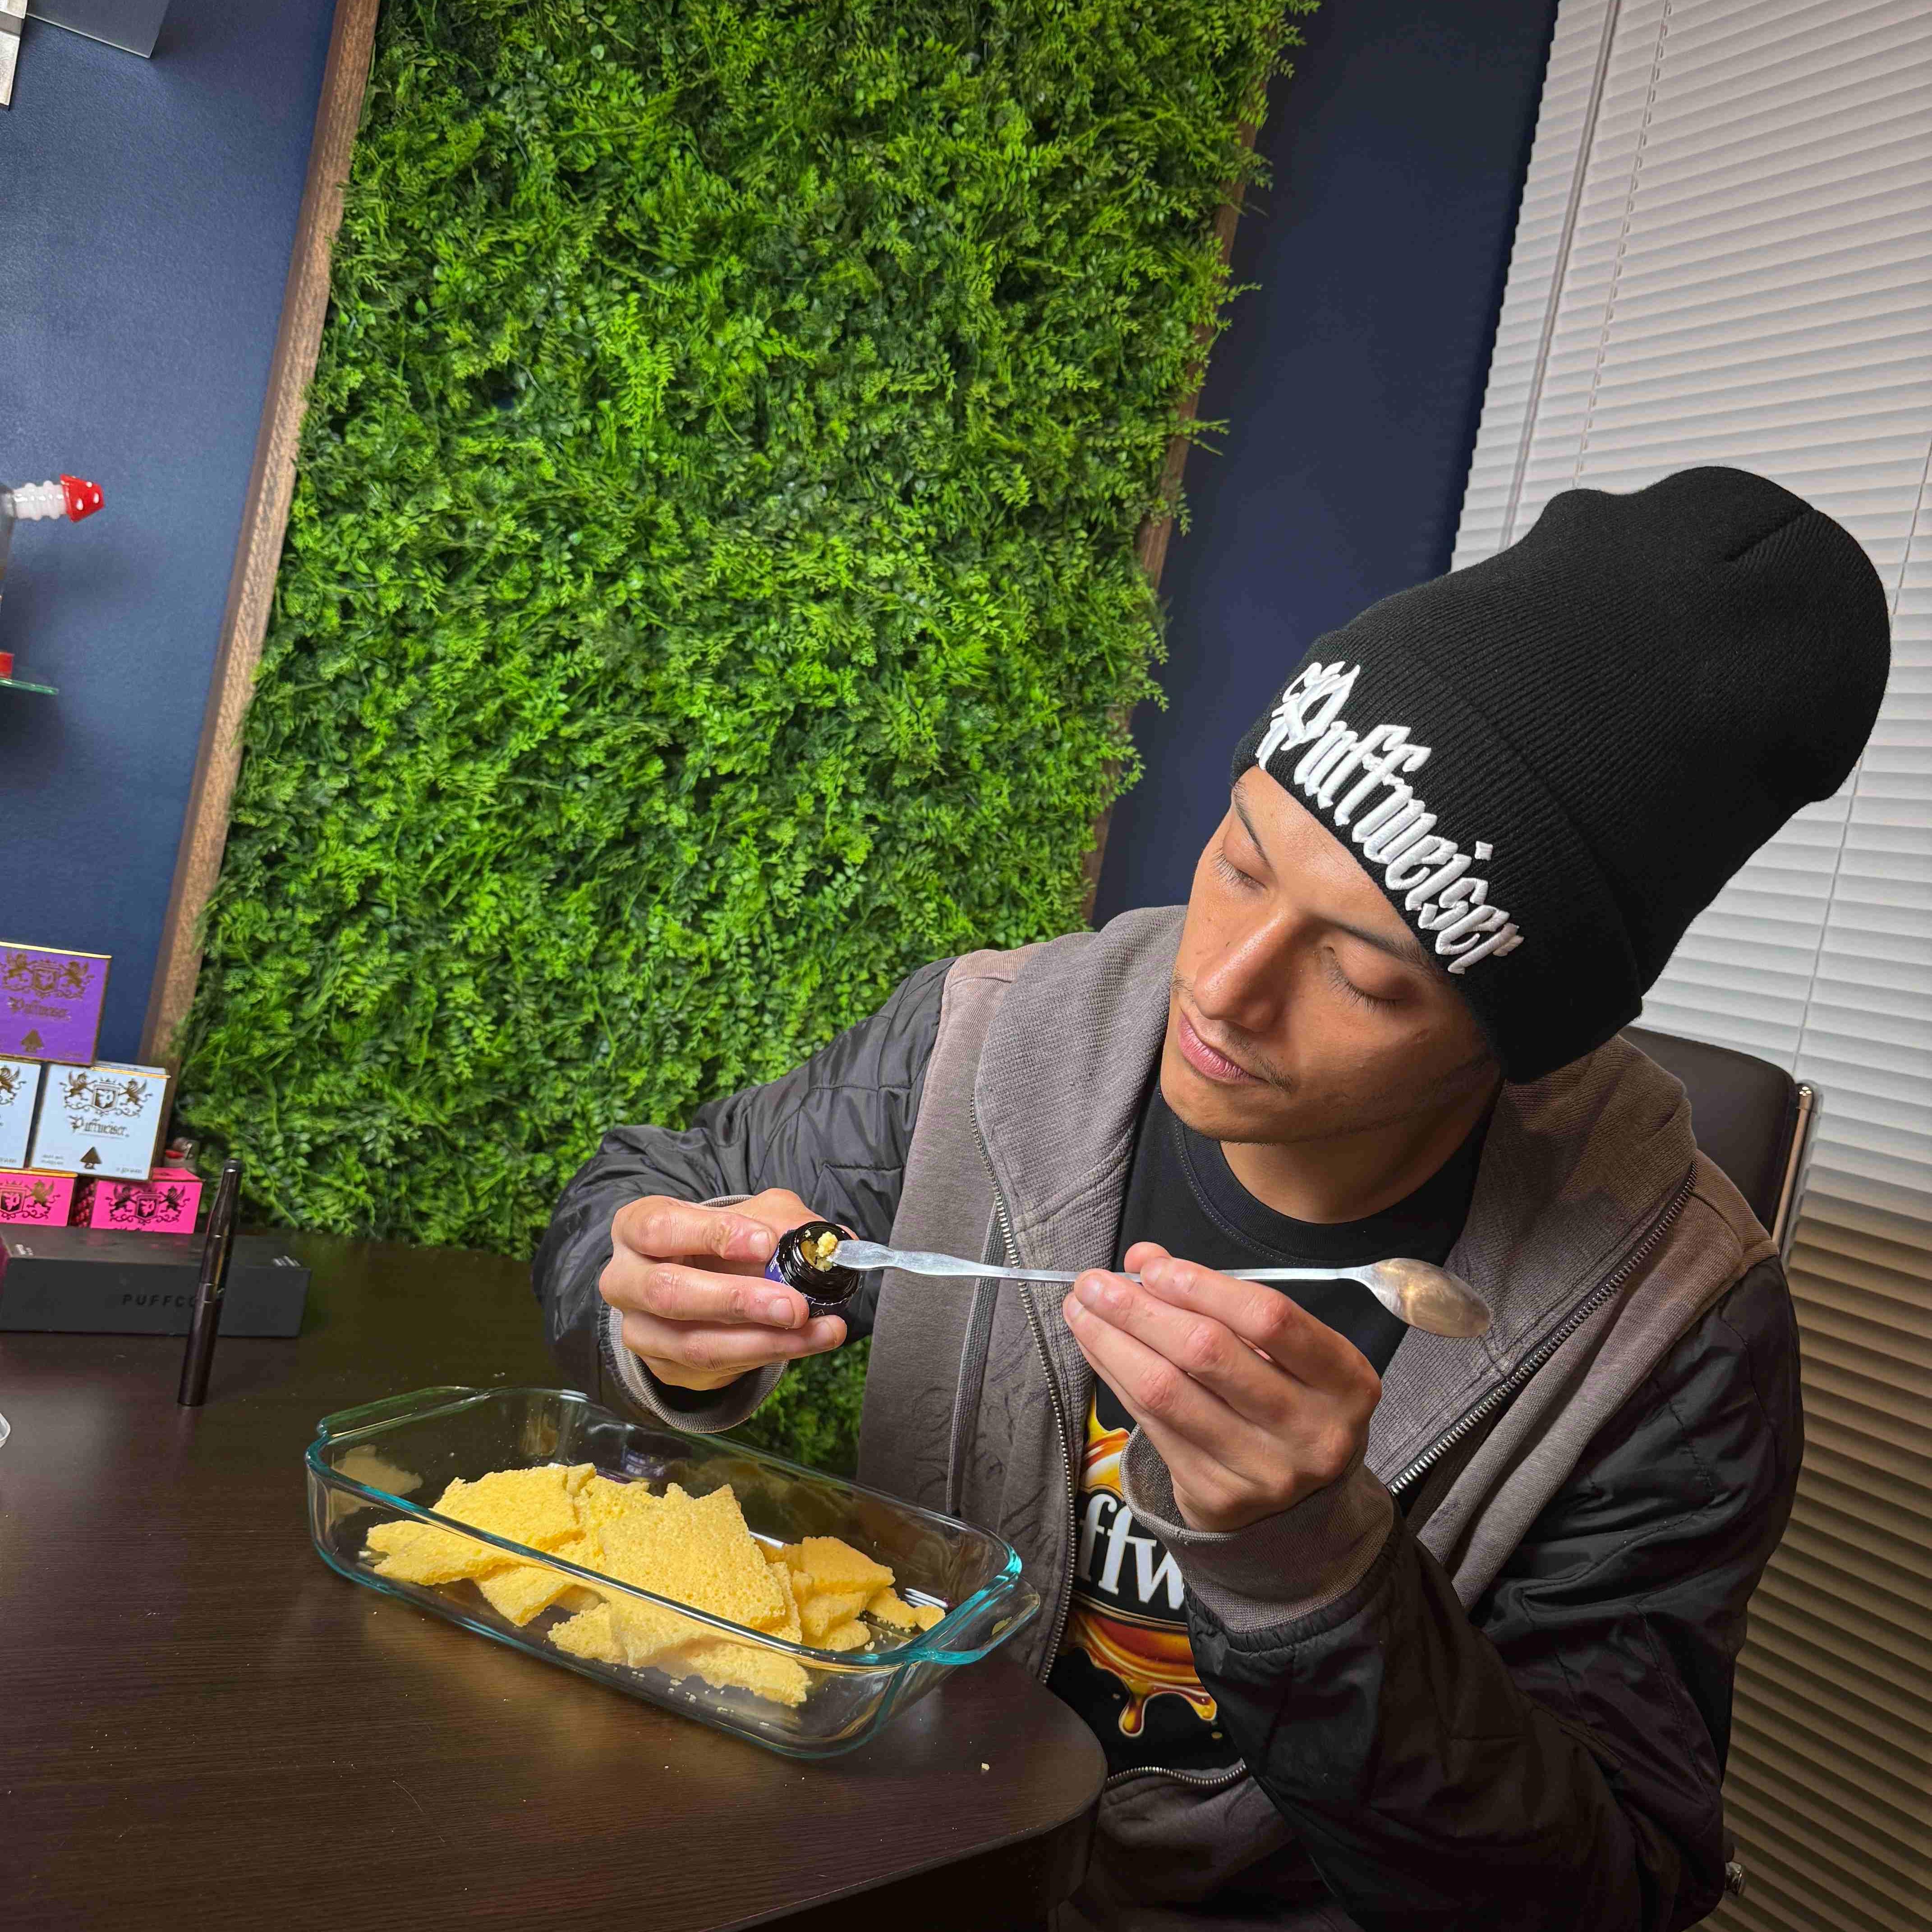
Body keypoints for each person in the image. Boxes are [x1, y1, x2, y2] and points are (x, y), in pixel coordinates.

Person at [534, 467, 1889, 1931]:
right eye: (1241, 860)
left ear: (1518, 1037)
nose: (1223, 985)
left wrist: (1317, 1572)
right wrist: (665, 1321)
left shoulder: (1681, 1329)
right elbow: (645, 1193)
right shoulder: (994, 1039)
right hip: (889, 1839)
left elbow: (1599, 1891)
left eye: (1363, 971)